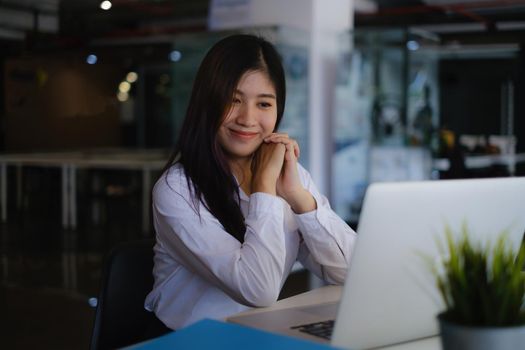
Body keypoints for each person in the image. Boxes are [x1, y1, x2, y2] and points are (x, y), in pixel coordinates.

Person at [144, 34, 357, 331]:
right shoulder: (177, 189)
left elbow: (352, 272)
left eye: (264, 104)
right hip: (194, 340)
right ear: (208, 102)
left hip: (259, 331)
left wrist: (298, 197)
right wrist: (264, 189)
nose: (248, 118)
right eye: (233, 100)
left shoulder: (287, 176)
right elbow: (259, 290)